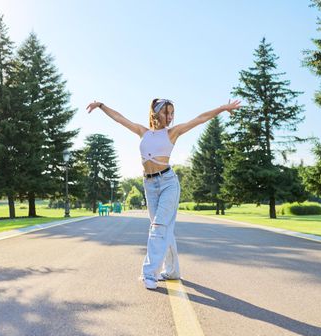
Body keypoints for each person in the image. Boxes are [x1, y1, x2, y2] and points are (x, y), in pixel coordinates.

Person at [86, 98, 241, 289]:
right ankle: (173, 270)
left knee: (158, 227)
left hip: (168, 182)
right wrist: (101, 106)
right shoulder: (143, 132)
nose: (170, 117)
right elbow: (120, 119)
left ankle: (149, 274)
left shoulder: (172, 133)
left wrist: (222, 108)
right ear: (156, 113)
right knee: (162, 228)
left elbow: (200, 119)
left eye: (172, 113)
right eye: (166, 113)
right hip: (149, 185)